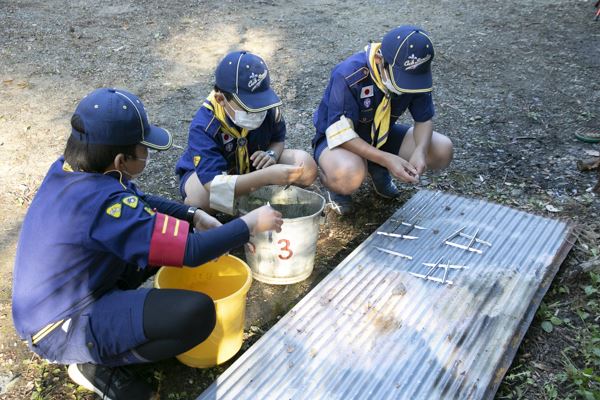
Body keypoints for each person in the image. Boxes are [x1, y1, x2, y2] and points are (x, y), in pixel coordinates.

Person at [11, 88, 283, 399]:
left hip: (75, 291)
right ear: (120, 160)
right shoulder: (100, 205)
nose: (147, 154)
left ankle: (110, 332)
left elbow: (138, 199)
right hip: (59, 327)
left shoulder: (76, 169)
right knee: (198, 314)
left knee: (165, 239)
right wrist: (247, 225)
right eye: (143, 149)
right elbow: (192, 253)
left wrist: (192, 215)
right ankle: (97, 364)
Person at [312, 25, 454, 215]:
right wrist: (387, 159)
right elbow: (342, 135)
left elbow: (424, 120)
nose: (407, 87)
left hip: (381, 135)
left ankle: (374, 165)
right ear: (380, 60)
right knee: (348, 175)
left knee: (442, 149)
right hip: (339, 141)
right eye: (402, 79)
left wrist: (420, 151)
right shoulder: (348, 74)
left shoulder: (416, 75)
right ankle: (333, 183)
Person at [176, 50, 318, 215]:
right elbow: (213, 185)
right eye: (248, 107)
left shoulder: (268, 108)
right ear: (221, 99)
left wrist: (271, 154)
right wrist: (267, 177)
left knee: (306, 165)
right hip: (216, 176)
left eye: (260, 104)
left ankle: (251, 198)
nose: (258, 112)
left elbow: (278, 140)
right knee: (200, 200)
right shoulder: (204, 126)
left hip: (254, 169)